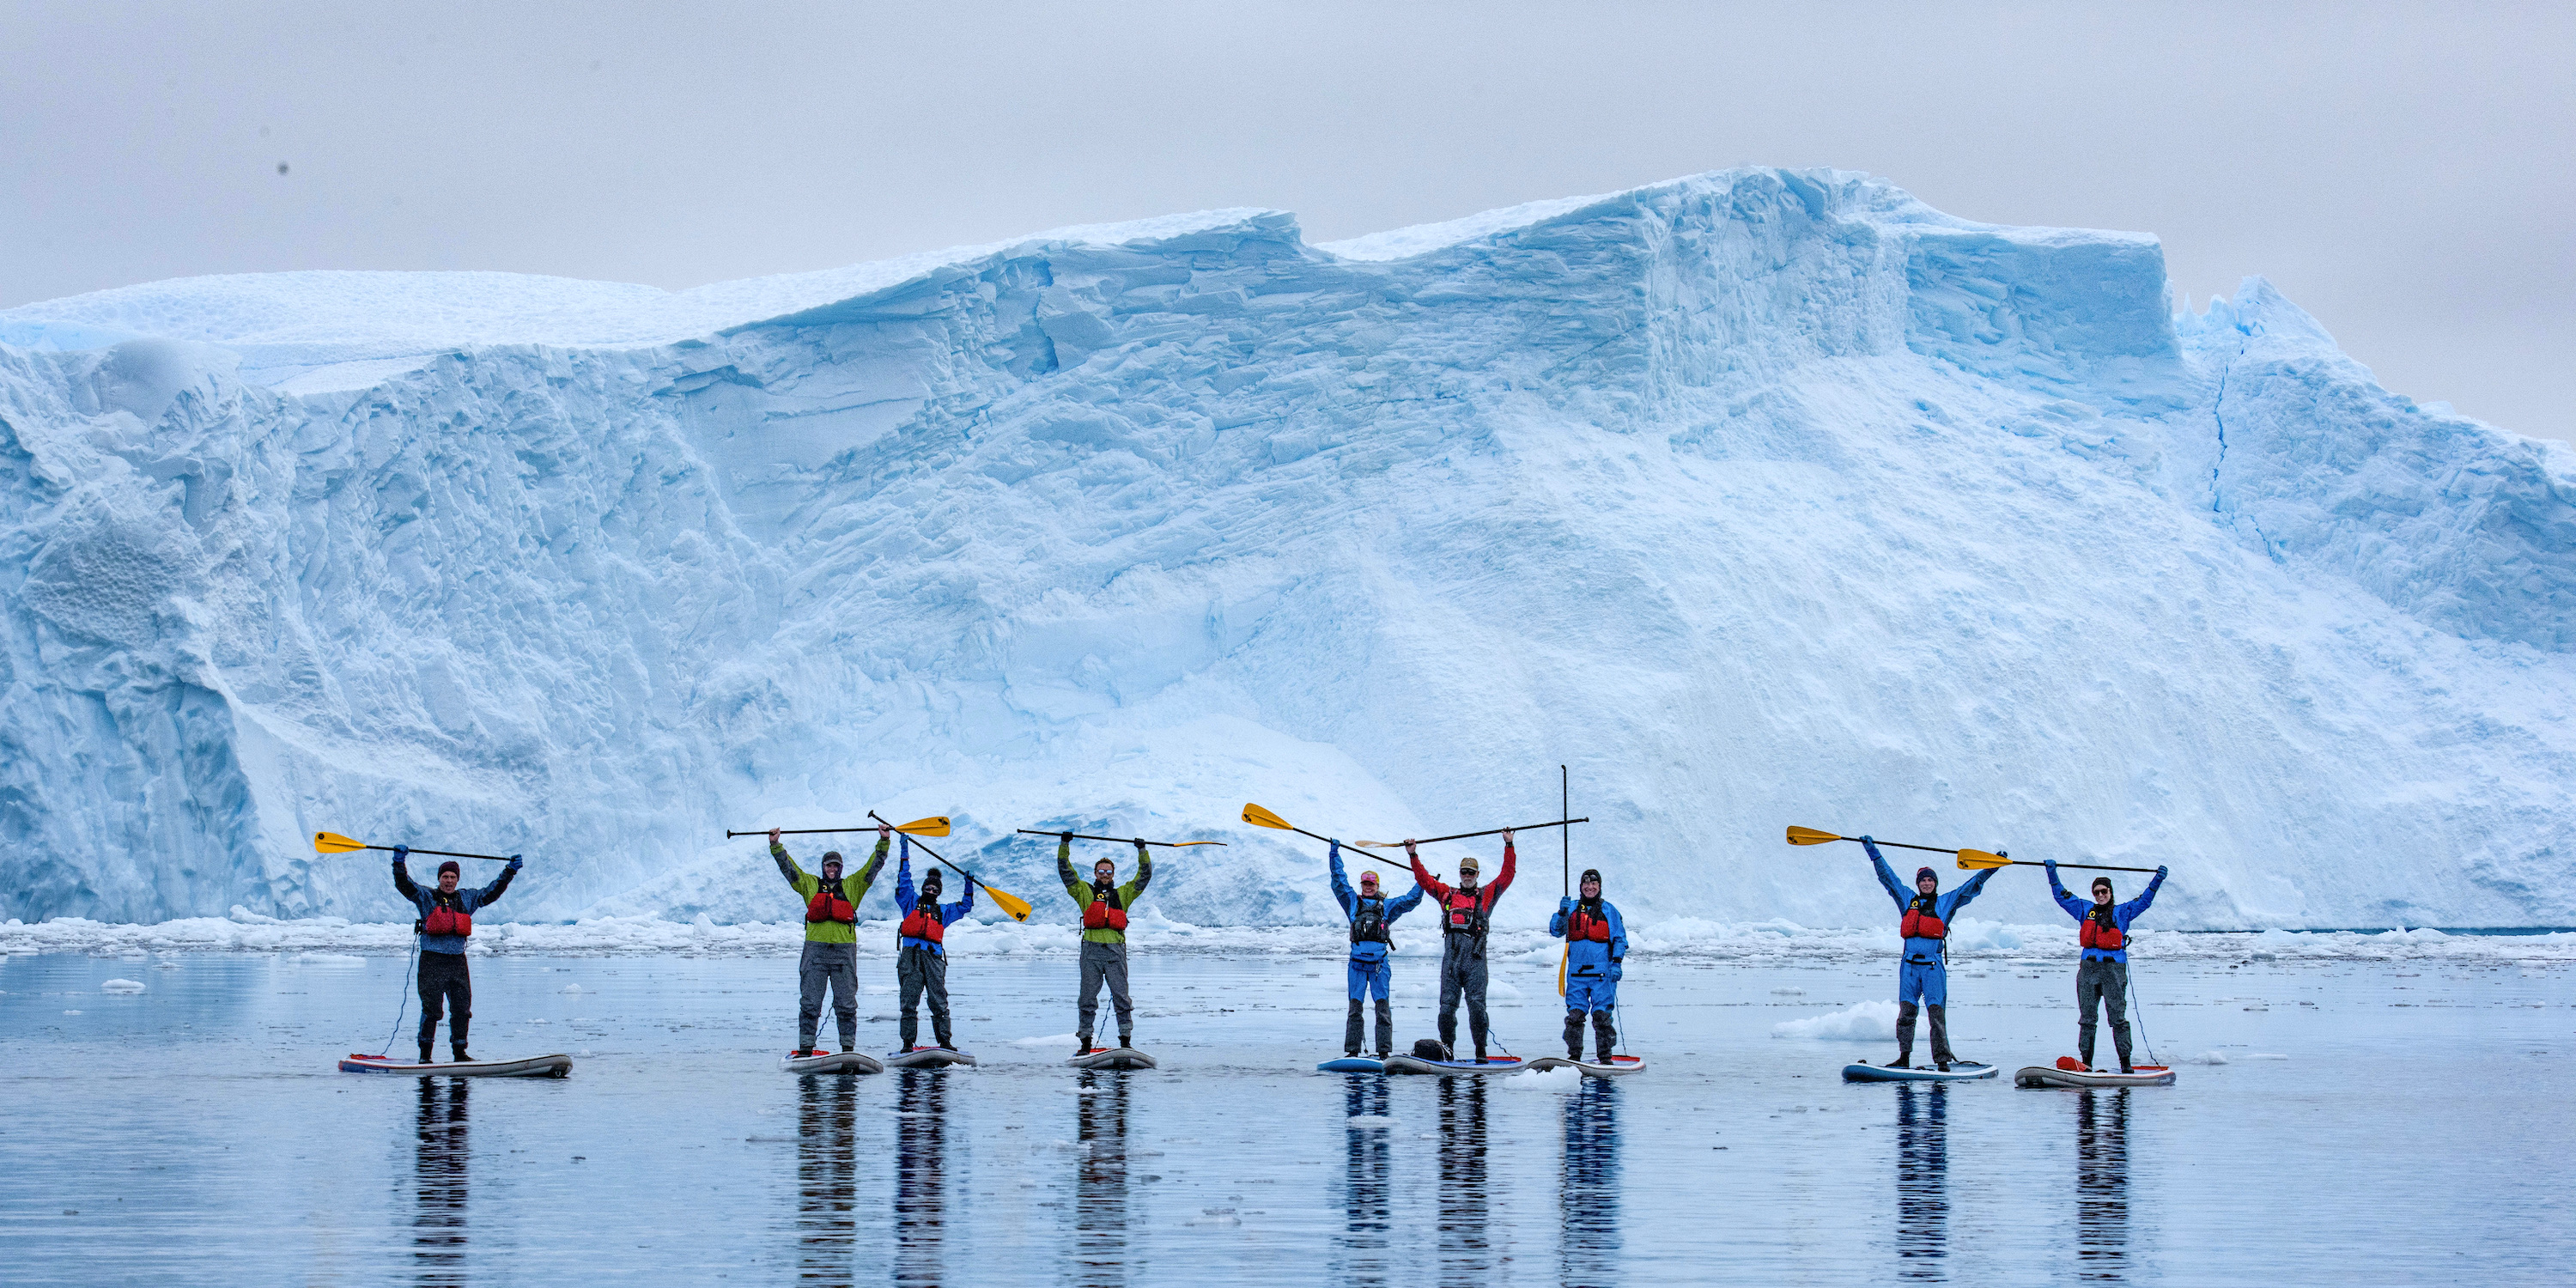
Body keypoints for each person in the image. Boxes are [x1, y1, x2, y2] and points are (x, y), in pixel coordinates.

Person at [1863, 837, 1994, 1071]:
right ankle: (1904, 1057)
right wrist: (1872, 851)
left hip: (1933, 968)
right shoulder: (1907, 899)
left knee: (1936, 1015)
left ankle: (1942, 1060)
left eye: (1930, 880)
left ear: (1935, 883)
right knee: (1906, 1013)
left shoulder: (1946, 902)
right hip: (1909, 968)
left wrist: (1992, 868)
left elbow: (1971, 886)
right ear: (1918, 883)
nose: (1926, 883)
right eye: (1923, 880)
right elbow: (1888, 878)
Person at [391, 847, 522, 1063]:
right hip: (431, 961)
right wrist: (398, 862)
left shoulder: (467, 899)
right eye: (445, 877)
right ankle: (425, 1056)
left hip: (457, 962)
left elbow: (492, 892)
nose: (448, 881)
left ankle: (460, 1053)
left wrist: (509, 871)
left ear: (457, 879)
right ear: (439, 879)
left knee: (462, 1009)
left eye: (452, 877)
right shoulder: (426, 897)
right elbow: (404, 885)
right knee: (432, 1010)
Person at [771, 822, 890, 1057]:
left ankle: (848, 1048)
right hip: (815, 953)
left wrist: (884, 841)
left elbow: (873, 867)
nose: (832, 869)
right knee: (810, 1003)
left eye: (836, 866)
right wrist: (776, 846)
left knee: (846, 1004)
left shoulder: (854, 886)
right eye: (829, 865)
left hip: (843, 954)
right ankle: (806, 1048)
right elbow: (790, 870)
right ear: (823, 867)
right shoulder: (810, 885)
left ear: (841, 868)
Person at [2047, 861, 2169, 1073]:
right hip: (2088, 971)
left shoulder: (2123, 912)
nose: (2100, 895)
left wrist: (2158, 879)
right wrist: (2052, 873)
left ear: (2111, 892)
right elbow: (2061, 896)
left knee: (2118, 1019)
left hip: (2113, 971)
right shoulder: (2084, 910)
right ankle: (2086, 1064)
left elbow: (2145, 901)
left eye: (2104, 891)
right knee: (2087, 1019)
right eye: (2097, 892)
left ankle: (2126, 1064)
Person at [1406, 831, 1517, 1062]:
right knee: (1446, 1009)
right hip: (1451, 962)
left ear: (1477, 874)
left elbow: (1507, 876)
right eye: (1464, 872)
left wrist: (1509, 845)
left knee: (1477, 1008)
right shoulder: (1447, 894)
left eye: (1471, 872)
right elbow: (1424, 880)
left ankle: (1481, 1052)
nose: (1467, 876)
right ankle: (1448, 1050)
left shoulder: (1487, 895)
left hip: (1475, 961)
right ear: (1460, 874)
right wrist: (1413, 855)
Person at [1059, 833, 1153, 1055]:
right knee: (1087, 998)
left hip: (1115, 952)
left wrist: (1142, 851)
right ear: (1095, 873)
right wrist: (1064, 845)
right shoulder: (1084, 892)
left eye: (1108, 872)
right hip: (1091, 952)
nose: (1104, 875)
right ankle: (1085, 1043)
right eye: (1101, 871)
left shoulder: (1124, 893)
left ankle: (1125, 1041)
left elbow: (1144, 877)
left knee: (1122, 998)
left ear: (1113, 874)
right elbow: (1066, 872)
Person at [1329, 840, 1425, 1059]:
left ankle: (1384, 1053)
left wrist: (1423, 883)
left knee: (1382, 1009)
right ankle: (1352, 1052)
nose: (1368, 886)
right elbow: (1338, 881)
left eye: (1372, 884)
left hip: (1379, 967)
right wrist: (1334, 854)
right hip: (1357, 966)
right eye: (1365, 883)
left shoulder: (1388, 907)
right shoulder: (1352, 902)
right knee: (1355, 1009)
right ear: (1361, 885)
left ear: (1377, 886)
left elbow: (1411, 900)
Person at [893, 836, 975, 1051]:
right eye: (928, 888)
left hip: (933, 959)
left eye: (934, 889)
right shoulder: (909, 902)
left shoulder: (944, 911)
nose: (931, 891)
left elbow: (966, 906)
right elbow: (904, 879)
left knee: (939, 1002)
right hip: (911, 958)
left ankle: (945, 1041)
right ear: (923, 888)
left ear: (939, 892)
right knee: (909, 1002)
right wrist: (904, 850)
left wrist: (968, 885)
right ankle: (907, 1043)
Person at [1549, 866, 1628, 1062]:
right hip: (1576, 975)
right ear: (1581, 886)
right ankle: (1574, 1056)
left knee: (1602, 1017)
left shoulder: (1610, 911)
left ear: (1599, 886)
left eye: (1593, 883)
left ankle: (1605, 1057)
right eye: (1586, 884)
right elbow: (1555, 930)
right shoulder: (1571, 909)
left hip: (1603, 975)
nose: (1589, 887)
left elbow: (1620, 939)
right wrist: (1561, 912)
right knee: (1575, 1017)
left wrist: (1617, 963)